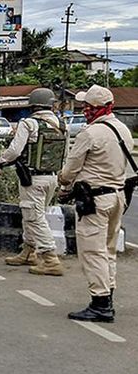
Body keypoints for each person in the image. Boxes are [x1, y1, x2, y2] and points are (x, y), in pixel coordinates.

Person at [60, 85, 134, 323]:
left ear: (95, 108)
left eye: (87, 106)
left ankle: (100, 304)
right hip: (118, 196)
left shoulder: (89, 133)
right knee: (108, 250)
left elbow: (70, 169)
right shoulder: (123, 129)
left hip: (94, 200)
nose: (85, 110)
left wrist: (64, 184)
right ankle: (107, 295)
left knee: (93, 252)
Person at [0, 88, 65, 276]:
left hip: (33, 178)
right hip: (52, 178)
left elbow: (15, 150)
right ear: (51, 105)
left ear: (33, 106)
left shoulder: (29, 124)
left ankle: (50, 259)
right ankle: (28, 252)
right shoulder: (61, 124)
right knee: (32, 215)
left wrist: (0, 161)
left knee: (35, 218)